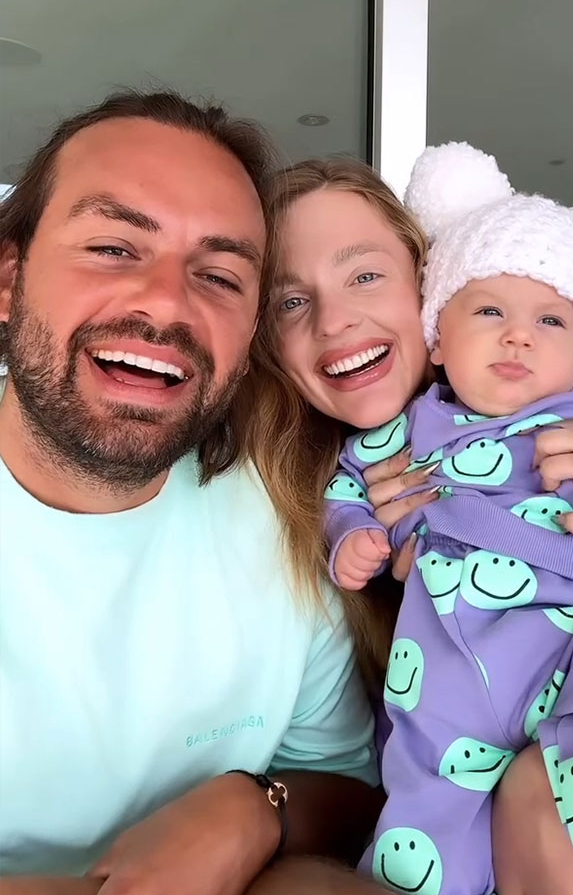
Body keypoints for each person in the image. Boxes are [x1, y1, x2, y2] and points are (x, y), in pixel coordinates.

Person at [244, 153, 573, 894]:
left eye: (364, 274)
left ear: (419, 282)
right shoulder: (308, 483)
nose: (334, 320)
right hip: (448, 712)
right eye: (291, 302)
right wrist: (353, 536)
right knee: (420, 832)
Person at [0, 90, 386, 895]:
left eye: (219, 275)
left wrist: (258, 809)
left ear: (249, 342)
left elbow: (350, 794)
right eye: (112, 247)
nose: (168, 303)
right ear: (9, 279)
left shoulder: (286, 522)